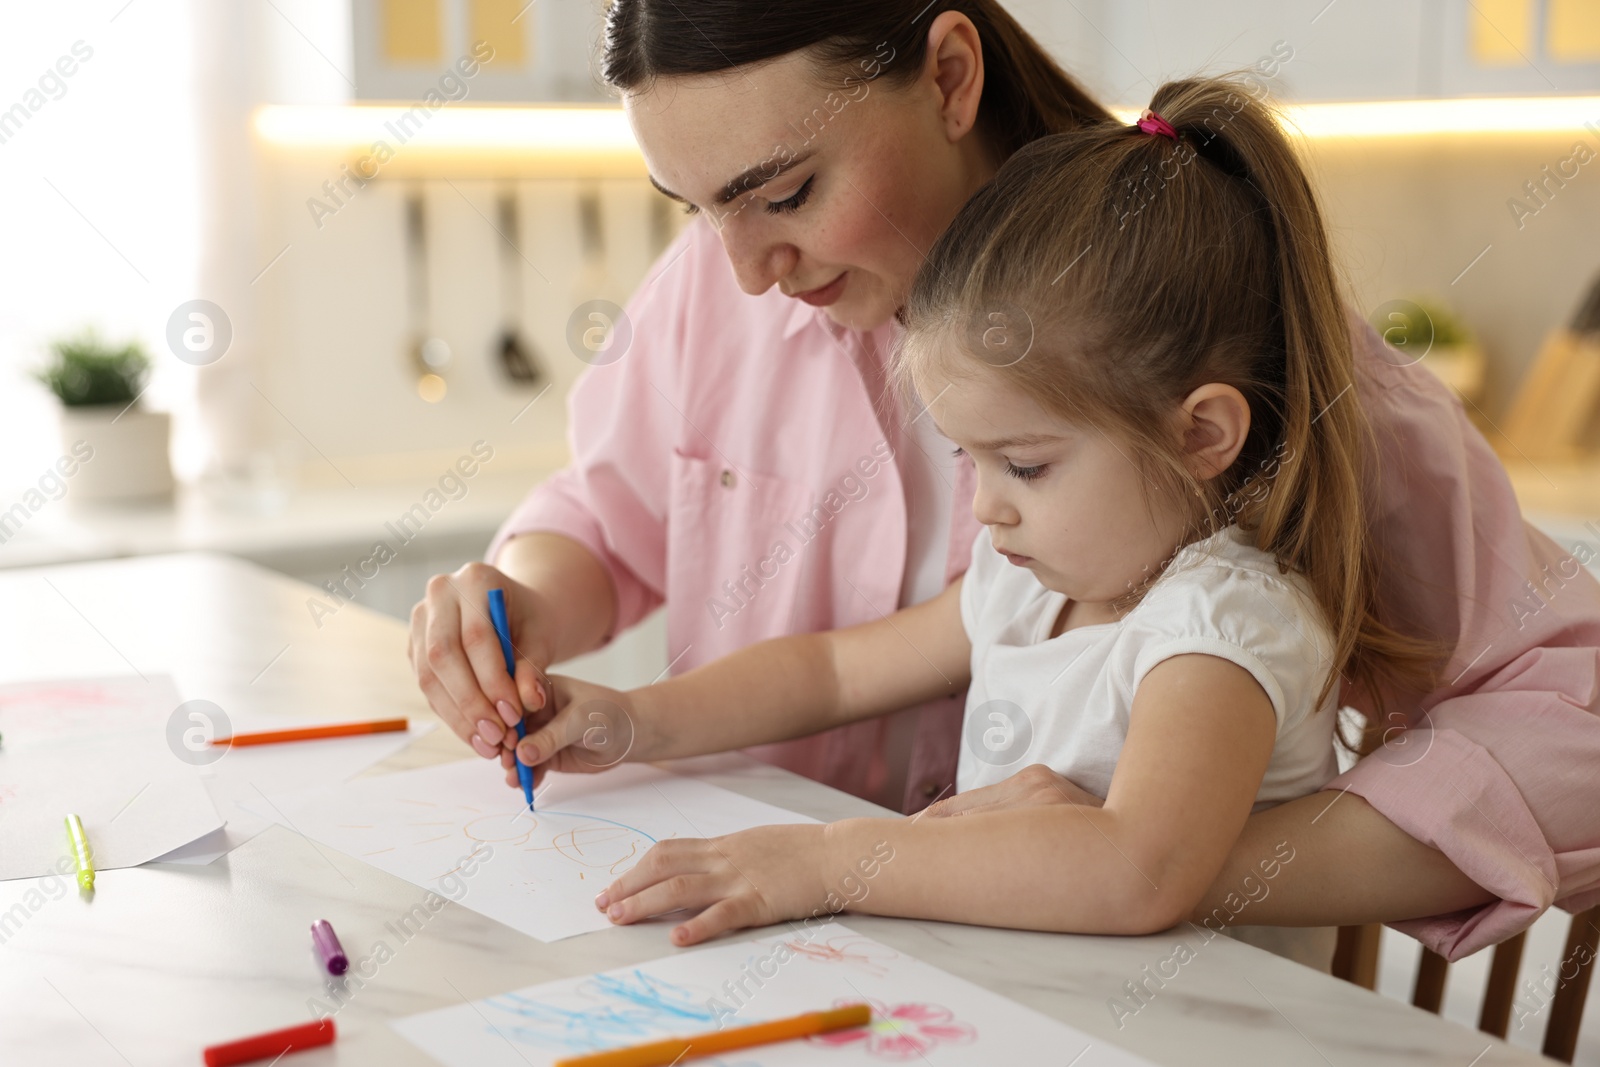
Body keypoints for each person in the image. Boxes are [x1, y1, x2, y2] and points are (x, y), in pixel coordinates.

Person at [408, 0, 1600, 962]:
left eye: (785, 194)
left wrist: (1177, 860)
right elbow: (606, 520)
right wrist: (516, 609)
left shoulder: (1246, 352)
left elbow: (1574, 722)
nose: (745, 270)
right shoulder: (718, 281)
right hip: (781, 950)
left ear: (949, 75)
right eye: (699, 209)